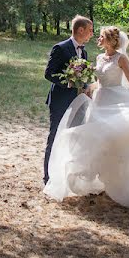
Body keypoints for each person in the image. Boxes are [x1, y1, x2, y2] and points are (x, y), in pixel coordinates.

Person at [43, 26, 129, 207]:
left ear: (110, 40)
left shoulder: (122, 58)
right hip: (100, 101)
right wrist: (87, 87)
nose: (98, 38)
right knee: (95, 139)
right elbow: (98, 82)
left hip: (116, 101)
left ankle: (120, 181)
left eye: (101, 36)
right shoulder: (98, 57)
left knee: (113, 139)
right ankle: (100, 179)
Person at [43, 15, 93, 185]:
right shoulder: (60, 48)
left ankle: (67, 175)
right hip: (60, 101)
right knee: (55, 137)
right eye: (90, 30)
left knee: (74, 139)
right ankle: (48, 177)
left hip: (79, 102)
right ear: (81, 30)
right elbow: (49, 73)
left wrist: (85, 86)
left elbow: (84, 75)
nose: (91, 34)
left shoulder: (84, 51)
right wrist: (69, 82)